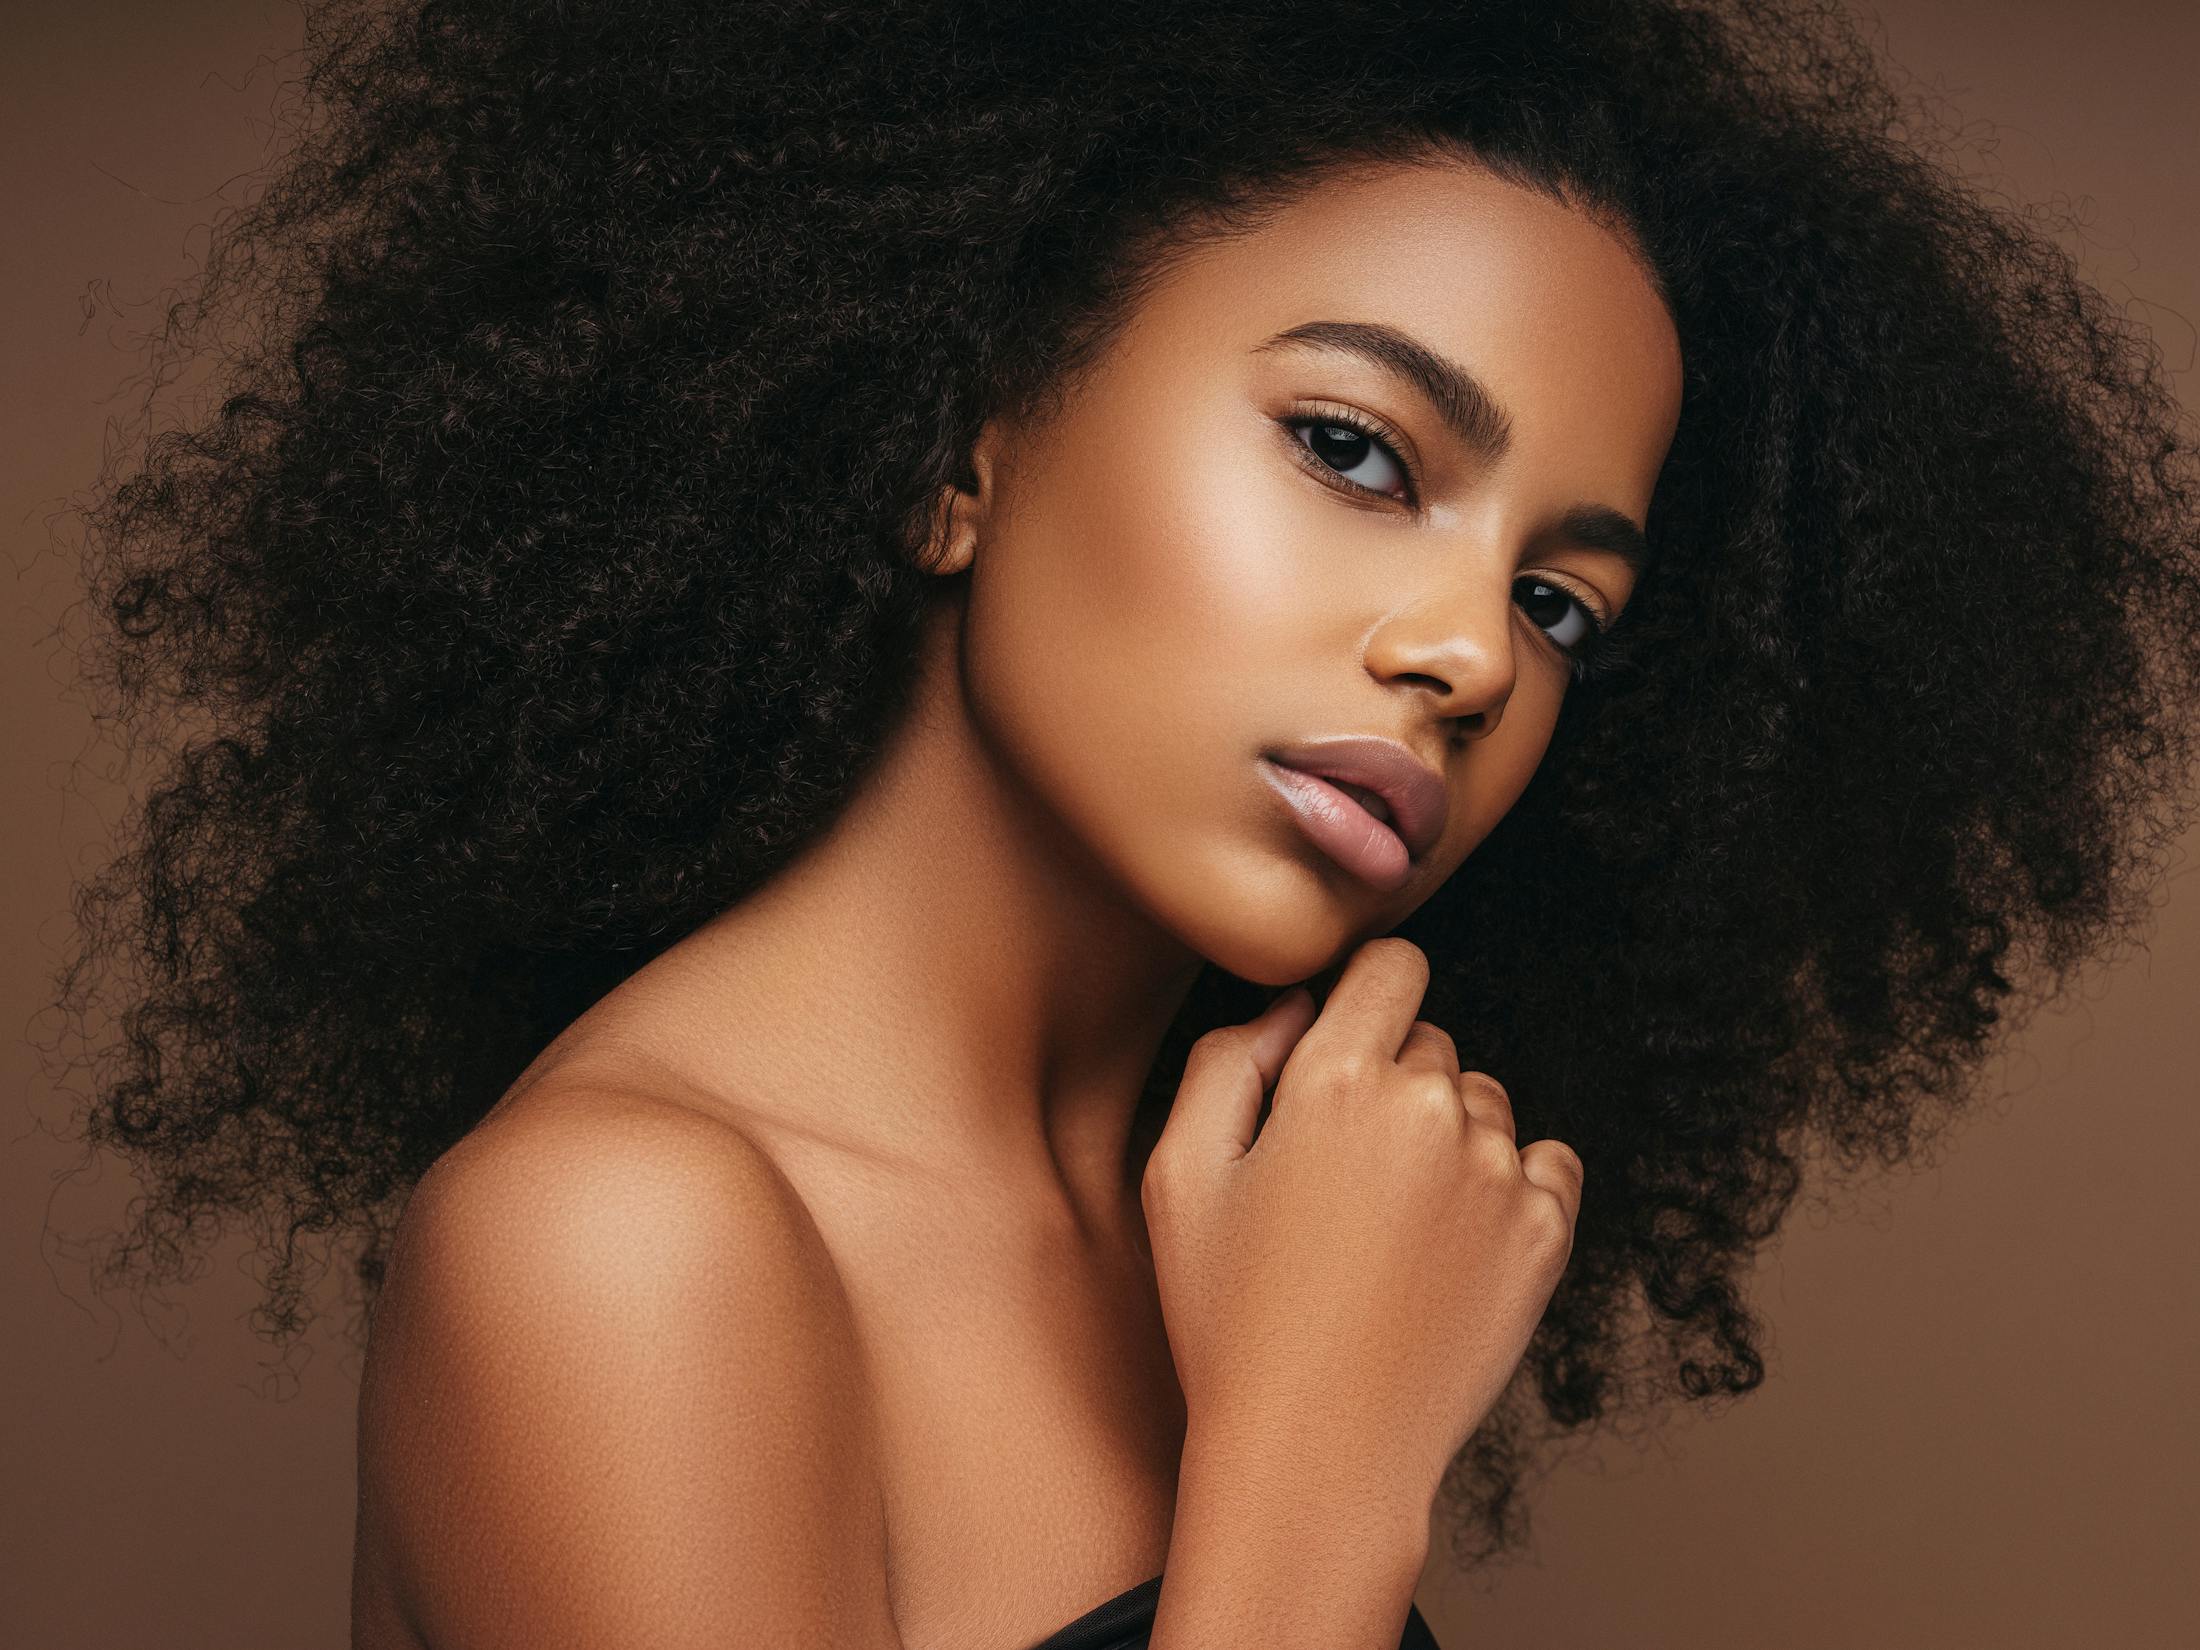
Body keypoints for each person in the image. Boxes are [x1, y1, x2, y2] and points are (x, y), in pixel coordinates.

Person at [48, 1, 2200, 1646]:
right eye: (1355, 451)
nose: (1468, 651)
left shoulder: (1240, 1223)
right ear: (956, 438)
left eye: (1560, 603)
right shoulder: (620, 1242)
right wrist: (1312, 1488)